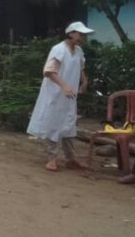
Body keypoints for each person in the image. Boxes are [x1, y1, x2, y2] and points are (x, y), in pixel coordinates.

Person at [27, 21, 93, 172]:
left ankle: (71, 158)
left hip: (69, 95)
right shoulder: (59, 49)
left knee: (69, 124)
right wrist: (64, 86)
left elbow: (81, 68)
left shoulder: (78, 51)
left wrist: (84, 81)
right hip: (55, 93)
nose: (83, 37)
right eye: (81, 34)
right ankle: (52, 158)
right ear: (71, 33)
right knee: (54, 124)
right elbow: (49, 72)